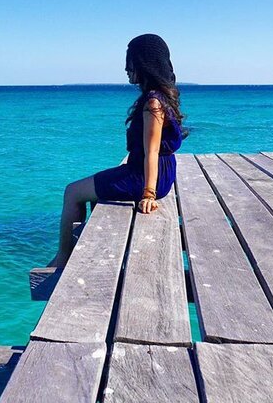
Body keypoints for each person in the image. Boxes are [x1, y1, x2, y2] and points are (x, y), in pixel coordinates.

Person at [52, 34, 188, 267]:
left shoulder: (152, 103)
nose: (126, 69)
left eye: (131, 62)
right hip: (156, 173)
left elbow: (152, 151)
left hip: (143, 177)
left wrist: (148, 194)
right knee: (92, 190)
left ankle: (62, 259)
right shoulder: (161, 97)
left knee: (72, 192)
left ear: (144, 64)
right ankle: (77, 252)